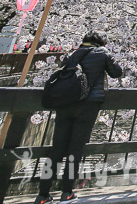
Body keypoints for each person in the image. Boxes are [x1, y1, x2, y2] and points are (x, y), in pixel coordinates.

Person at [36, 30, 123, 204]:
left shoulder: (74, 54)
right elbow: (116, 73)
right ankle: (66, 192)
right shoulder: (102, 53)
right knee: (75, 150)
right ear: (101, 42)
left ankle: (42, 194)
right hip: (88, 106)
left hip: (66, 105)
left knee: (56, 150)